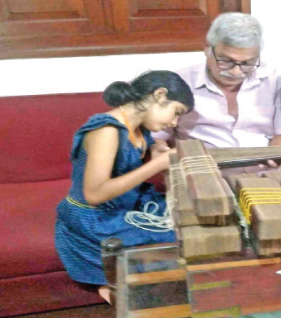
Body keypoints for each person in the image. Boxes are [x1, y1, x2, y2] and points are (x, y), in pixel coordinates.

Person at [55, 71, 194, 300]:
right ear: (160, 95)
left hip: (125, 204)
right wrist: (156, 165)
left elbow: (142, 145)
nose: (174, 122)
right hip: (95, 217)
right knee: (178, 237)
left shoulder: (137, 126)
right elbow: (94, 194)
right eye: (176, 112)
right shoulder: (106, 130)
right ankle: (155, 301)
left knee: (190, 217)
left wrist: (156, 149)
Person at [153, 12, 281, 150]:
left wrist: (280, 156)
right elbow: (157, 136)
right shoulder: (179, 83)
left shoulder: (276, 80)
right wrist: (158, 149)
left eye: (247, 63)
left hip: (262, 162)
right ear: (208, 49)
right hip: (203, 162)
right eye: (226, 61)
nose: (236, 72)